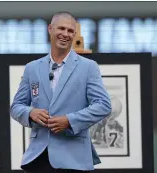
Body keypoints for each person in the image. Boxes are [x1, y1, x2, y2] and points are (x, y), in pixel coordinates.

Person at [10, 11, 112, 173]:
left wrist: (69, 121)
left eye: (71, 31)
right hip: (39, 158)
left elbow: (103, 105)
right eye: (61, 29)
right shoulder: (32, 68)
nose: (66, 34)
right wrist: (30, 113)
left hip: (74, 158)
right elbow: (16, 106)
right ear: (50, 29)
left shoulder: (88, 67)